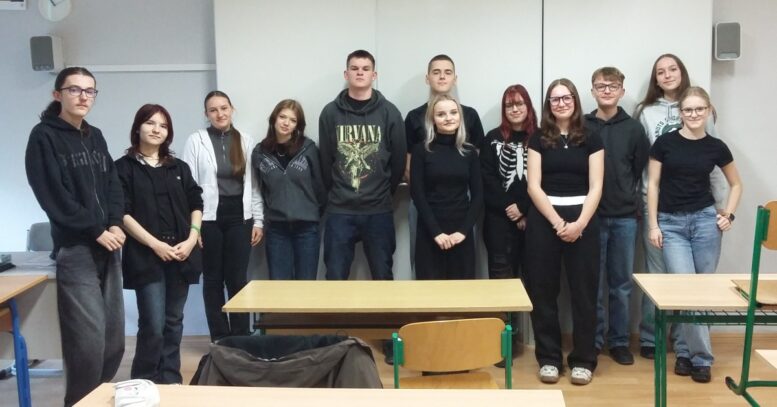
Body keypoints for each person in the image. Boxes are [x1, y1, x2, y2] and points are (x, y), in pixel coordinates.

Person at [25, 67, 125, 406]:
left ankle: (96, 397)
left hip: (108, 244)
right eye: (74, 89)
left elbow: (112, 184)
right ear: (58, 95)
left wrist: (115, 224)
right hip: (77, 248)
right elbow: (54, 196)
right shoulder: (44, 137)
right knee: (87, 343)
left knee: (113, 341)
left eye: (90, 91)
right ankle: (80, 401)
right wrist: (96, 229)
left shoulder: (95, 136)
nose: (83, 96)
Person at [634, 53, 729, 362]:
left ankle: (685, 344)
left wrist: (721, 208)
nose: (667, 75)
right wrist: (645, 209)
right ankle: (651, 336)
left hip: (698, 207)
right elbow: (642, 161)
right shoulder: (645, 112)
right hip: (657, 206)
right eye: (660, 71)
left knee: (692, 283)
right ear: (655, 78)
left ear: (682, 72)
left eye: (672, 69)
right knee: (659, 275)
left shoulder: (700, 106)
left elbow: (713, 161)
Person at [647, 86, 742, 383]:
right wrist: (653, 225)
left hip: (705, 223)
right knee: (686, 290)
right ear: (680, 113)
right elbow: (653, 185)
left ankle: (686, 354)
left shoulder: (717, 147)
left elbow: (736, 184)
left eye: (699, 108)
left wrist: (728, 214)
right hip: (671, 224)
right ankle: (702, 357)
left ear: (709, 110)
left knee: (701, 292)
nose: (694, 114)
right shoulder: (664, 143)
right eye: (688, 109)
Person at [115, 104, 204, 384]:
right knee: (153, 324)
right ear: (138, 128)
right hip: (146, 255)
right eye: (150, 123)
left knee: (173, 321)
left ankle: (170, 378)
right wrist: (155, 245)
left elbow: (196, 202)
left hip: (180, 254)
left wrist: (192, 239)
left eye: (163, 126)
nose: (157, 130)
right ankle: (144, 379)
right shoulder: (123, 168)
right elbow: (121, 213)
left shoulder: (178, 167)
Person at [524, 78, 604, 385]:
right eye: (555, 99)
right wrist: (558, 223)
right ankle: (549, 359)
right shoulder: (537, 138)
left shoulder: (592, 137)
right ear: (548, 105)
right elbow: (533, 186)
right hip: (545, 220)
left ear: (575, 100)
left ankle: (584, 359)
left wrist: (580, 223)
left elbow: (596, 185)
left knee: (584, 293)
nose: (561, 103)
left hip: (584, 219)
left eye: (566, 97)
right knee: (543, 292)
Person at [182, 90, 264, 342]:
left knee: (237, 278)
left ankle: (240, 337)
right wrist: (193, 229)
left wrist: (258, 220)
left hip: (240, 217)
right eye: (213, 110)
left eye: (224, 108)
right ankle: (219, 337)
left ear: (232, 109)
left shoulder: (246, 141)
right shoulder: (196, 141)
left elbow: (254, 185)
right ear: (206, 114)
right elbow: (188, 187)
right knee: (213, 279)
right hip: (208, 219)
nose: (220, 114)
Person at [318, 49, 406, 281]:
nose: (360, 73)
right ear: (346, 74)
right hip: (340, 209)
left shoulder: (389, 112)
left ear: (374, 75)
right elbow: (325, 159)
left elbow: (398, 161)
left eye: (365, 69)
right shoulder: (330, 112)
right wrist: (336, 192)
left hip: (378, 209)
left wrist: (384, 192)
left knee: (382, 276)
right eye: (354, 68)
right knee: (335, 277)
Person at [584, 67, 650, 365]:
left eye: (613, 86)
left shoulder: (634, 128)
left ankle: (620, 341)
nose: (607, 90)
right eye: (601, 86)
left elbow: (638, 169)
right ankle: (595, 340)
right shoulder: (583, 126)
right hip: (591, 216)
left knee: (621, 285)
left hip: (624, 216)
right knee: (593, 283)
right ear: (593, 91)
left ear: (622, 91)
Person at [404, 54, 485, 273]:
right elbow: (410, 166)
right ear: (427, 78)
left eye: (447, 72)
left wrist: (463, 229)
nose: (448, 118)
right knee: (425, 267)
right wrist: (433, 225)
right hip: (425, 205)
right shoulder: (414, 118)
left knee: (463, 270)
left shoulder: (470, 116)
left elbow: (474, 171)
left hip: (462, 208)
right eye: (436, 72)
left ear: (455, 78)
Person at [252, 99, 326, 280]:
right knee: (279, 285)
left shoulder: (308, 149)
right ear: (274, 119)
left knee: (306, 284)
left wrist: (311, 213)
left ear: (298, 125)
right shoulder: (260, 153)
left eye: (293, 120)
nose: (286, 123)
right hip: (277, 229)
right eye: (282, 117)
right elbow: (258, 190)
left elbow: (320, 187)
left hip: (307, 228)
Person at [481, 84, 537, 280]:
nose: (514, 109)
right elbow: (487, 178)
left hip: (535, 218)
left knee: (535, 281)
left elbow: (548, 179)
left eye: (519, 104)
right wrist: (512, 209)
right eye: (509, 105)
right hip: (499, 222)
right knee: (501, 281)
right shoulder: (492, 138)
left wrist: (523, 208)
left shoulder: (541, 138)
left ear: (528, 106)